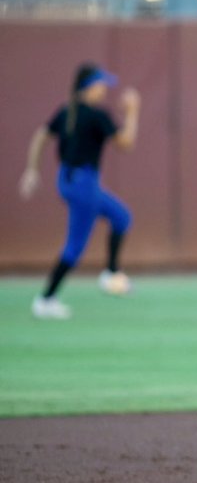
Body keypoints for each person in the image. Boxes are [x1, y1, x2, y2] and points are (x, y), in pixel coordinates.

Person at [19, 63, 139, 320]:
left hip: (70, 180)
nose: (104, 89)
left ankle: (111, 274)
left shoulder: (67, 111)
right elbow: (126, 143)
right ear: (89, 87)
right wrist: (133, 112)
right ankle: (46, 299)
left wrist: (32, 170)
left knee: (121, 217)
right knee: (74, 248)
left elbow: (41, 136)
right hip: (83, 184)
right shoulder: (96, 115)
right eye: (101, 84)